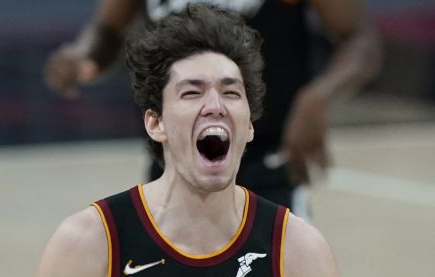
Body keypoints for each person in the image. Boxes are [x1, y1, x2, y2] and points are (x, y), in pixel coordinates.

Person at [27, 4, 341, 277]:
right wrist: (84, 55)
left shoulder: (301, 253)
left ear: (249, 125)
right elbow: (107, 28)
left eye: (231, 93)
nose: (215, 105)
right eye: (192, 93)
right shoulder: (84, 247)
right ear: (155, 123)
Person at [44, 0, 382, 216]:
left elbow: (361, 39)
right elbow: (107, 30)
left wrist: (317, 98)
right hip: (172, 167)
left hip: (266, 163)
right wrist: (82, 56)